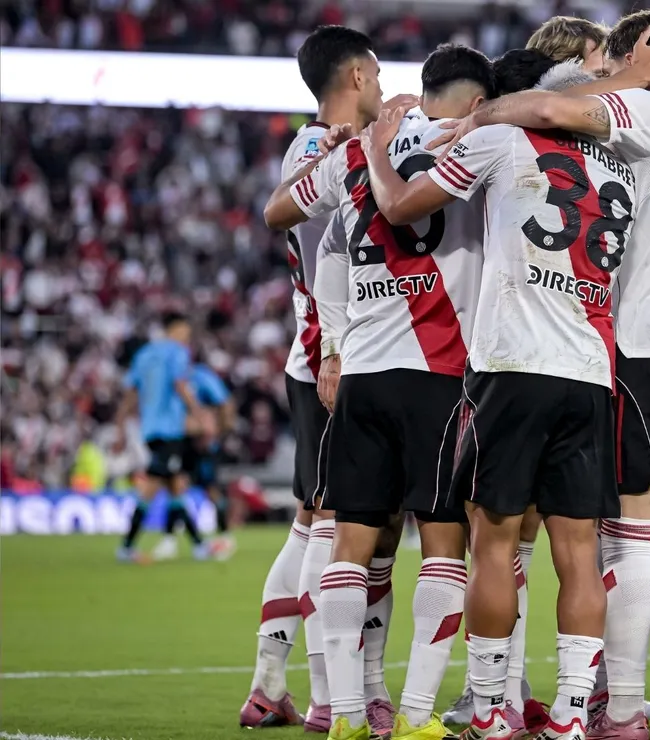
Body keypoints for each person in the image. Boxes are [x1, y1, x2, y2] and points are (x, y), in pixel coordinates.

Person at [437, 11, 650, 740]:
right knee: (631, 540)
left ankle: (510, 701)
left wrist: (477, 118)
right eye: (594, 60)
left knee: (511, 537)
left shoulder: (587, 120)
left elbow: (540, 112)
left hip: (577, 348)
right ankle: (607, 707)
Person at [355, 43, 650, 739]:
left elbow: (404, 206)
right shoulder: (619, 164)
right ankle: (568, 717)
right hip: (589, 369)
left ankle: (493, 712)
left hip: (513, 365)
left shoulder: (500, 138)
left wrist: (378, 148)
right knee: (579, 551)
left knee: (493, 542)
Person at [265, 43, 497, 740]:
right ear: (478, 98)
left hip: (362, 375)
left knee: (349, 544)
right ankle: (420, 716)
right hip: (439, 377)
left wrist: (333, 348)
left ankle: (339, 714)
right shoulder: (484, 139)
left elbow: (284, 216)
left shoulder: (360, 146)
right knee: (443, 546)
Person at [240, 24, 385, 734]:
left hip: (324, 353)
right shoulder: (324, 153)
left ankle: (269, 684)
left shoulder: (309, 147)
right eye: (379, 75)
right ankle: (330, 698)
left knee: (310, 520)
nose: (384, 87)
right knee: (335, 523)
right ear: (355, 77)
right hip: (338, 353)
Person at [116, 312, 206, 563]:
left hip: (149, 429)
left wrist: (119, 426)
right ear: (176, 329)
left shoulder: (143, 355)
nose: (187, 337)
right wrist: (199, 413)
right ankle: (126, 546)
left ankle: (199, 545)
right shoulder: (177, 352)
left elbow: (131, 394)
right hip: (169, 430)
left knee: (176, 486)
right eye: (185, 332)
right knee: (153, 486)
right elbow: (180, 385)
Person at [185, 360, 237, 559]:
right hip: (184, 439)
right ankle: (171, 537)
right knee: (176, 485)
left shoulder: (201, 376)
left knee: (212, 489)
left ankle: (225, 534)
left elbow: (224, 403)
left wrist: (219, 433)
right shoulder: (177, 377)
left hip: (204, 443)